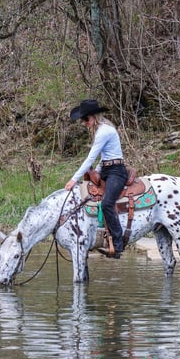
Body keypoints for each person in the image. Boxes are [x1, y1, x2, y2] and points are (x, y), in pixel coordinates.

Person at [64, 99, 127, 258]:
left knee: (106, 203)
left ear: (94, 117)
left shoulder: (104, 131)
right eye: (83, 120)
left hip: (116, 171)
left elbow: (90, 159)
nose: (84, 123)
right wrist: (97, 171)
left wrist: (73, 179)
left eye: (86, 119)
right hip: (106, 169)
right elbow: (104, 158)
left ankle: (118, 244)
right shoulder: (101, 131)